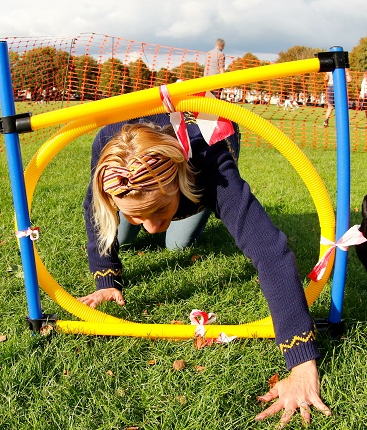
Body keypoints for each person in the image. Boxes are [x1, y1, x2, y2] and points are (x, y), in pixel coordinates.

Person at [79, 113, 332, 425]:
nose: (152, 227)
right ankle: (142, 211)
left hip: (197, 168)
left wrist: (301, 364)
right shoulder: (107, 145)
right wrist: (106, 275)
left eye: (158, 209)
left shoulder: (209, 160)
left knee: (176, 242)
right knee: (123, 233)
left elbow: (270, 252)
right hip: (140, 165)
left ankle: (179, 209)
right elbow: (94, 210)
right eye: (137, 214)